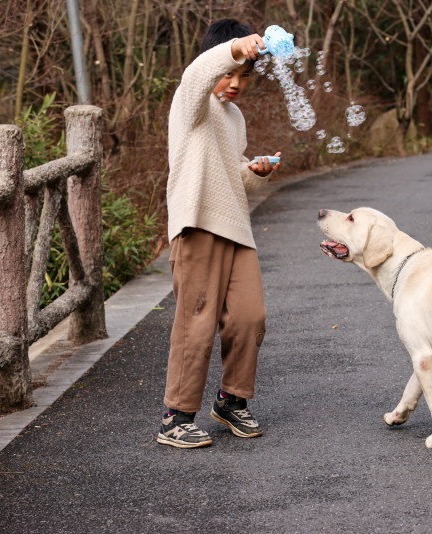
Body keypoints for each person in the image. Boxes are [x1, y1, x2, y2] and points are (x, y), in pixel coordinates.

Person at [157, 19, 282, 448]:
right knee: (197, 322)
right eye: (229, 74)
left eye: (244, 77)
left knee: (250, 317)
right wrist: (235, 49)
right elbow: (197, 74)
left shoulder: (234, 117)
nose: (235, 84)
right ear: (214, 65)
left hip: (235, 228)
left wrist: (256, 172)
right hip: (196, 225)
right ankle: (176, 417)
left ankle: (231, 401)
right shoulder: (189, 102)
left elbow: (233, 172)